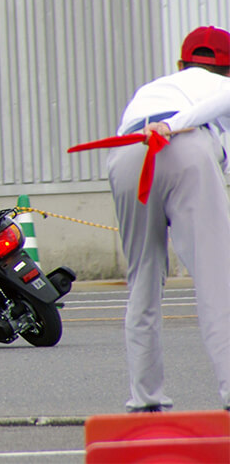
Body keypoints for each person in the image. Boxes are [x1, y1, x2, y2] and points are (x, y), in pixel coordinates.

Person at [106, 25, 230, 413]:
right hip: (187, 144)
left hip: (128, 149)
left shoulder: (154, 87)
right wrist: (175, 126)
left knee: (143, 278)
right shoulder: (219, 90)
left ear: (181, 63)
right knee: (217, 280)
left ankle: (145, 400)